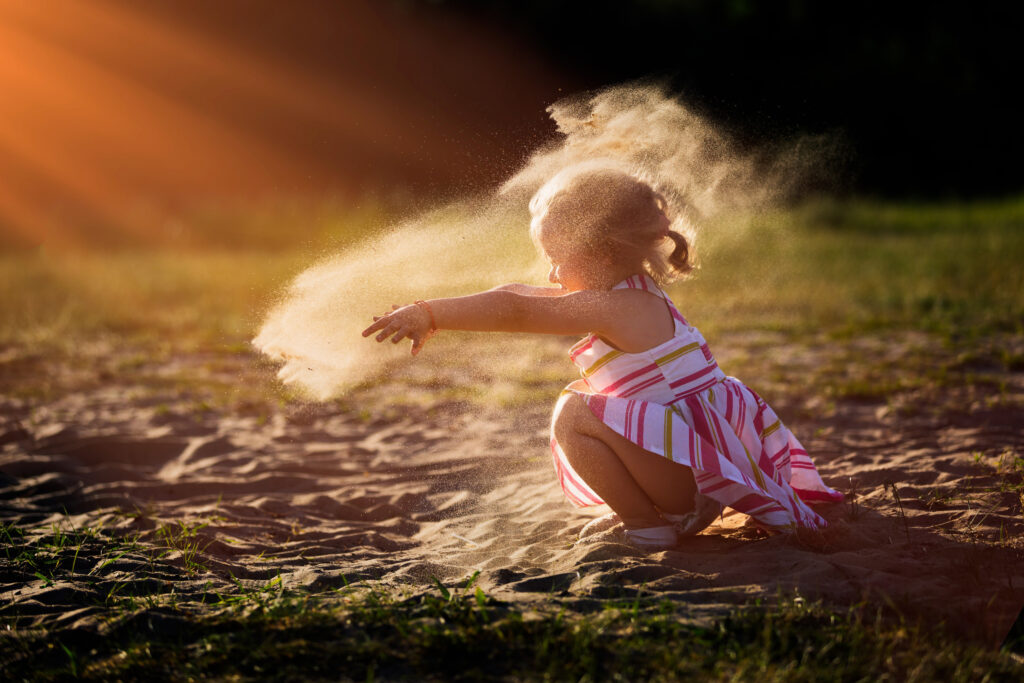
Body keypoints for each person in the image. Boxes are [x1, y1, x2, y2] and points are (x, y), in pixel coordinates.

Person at [361, 161, 843, 549]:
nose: (551, 274)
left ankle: (647, 525)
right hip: (701, 470)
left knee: (574, 411)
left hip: (690, 481)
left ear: (605, 251)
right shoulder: (631, 294)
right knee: (588, 402)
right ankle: (652, 514)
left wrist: (431, 313)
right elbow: (516, 294)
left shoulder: (615, 306)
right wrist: (435, 311)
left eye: (558, 258)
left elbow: (516, 311)